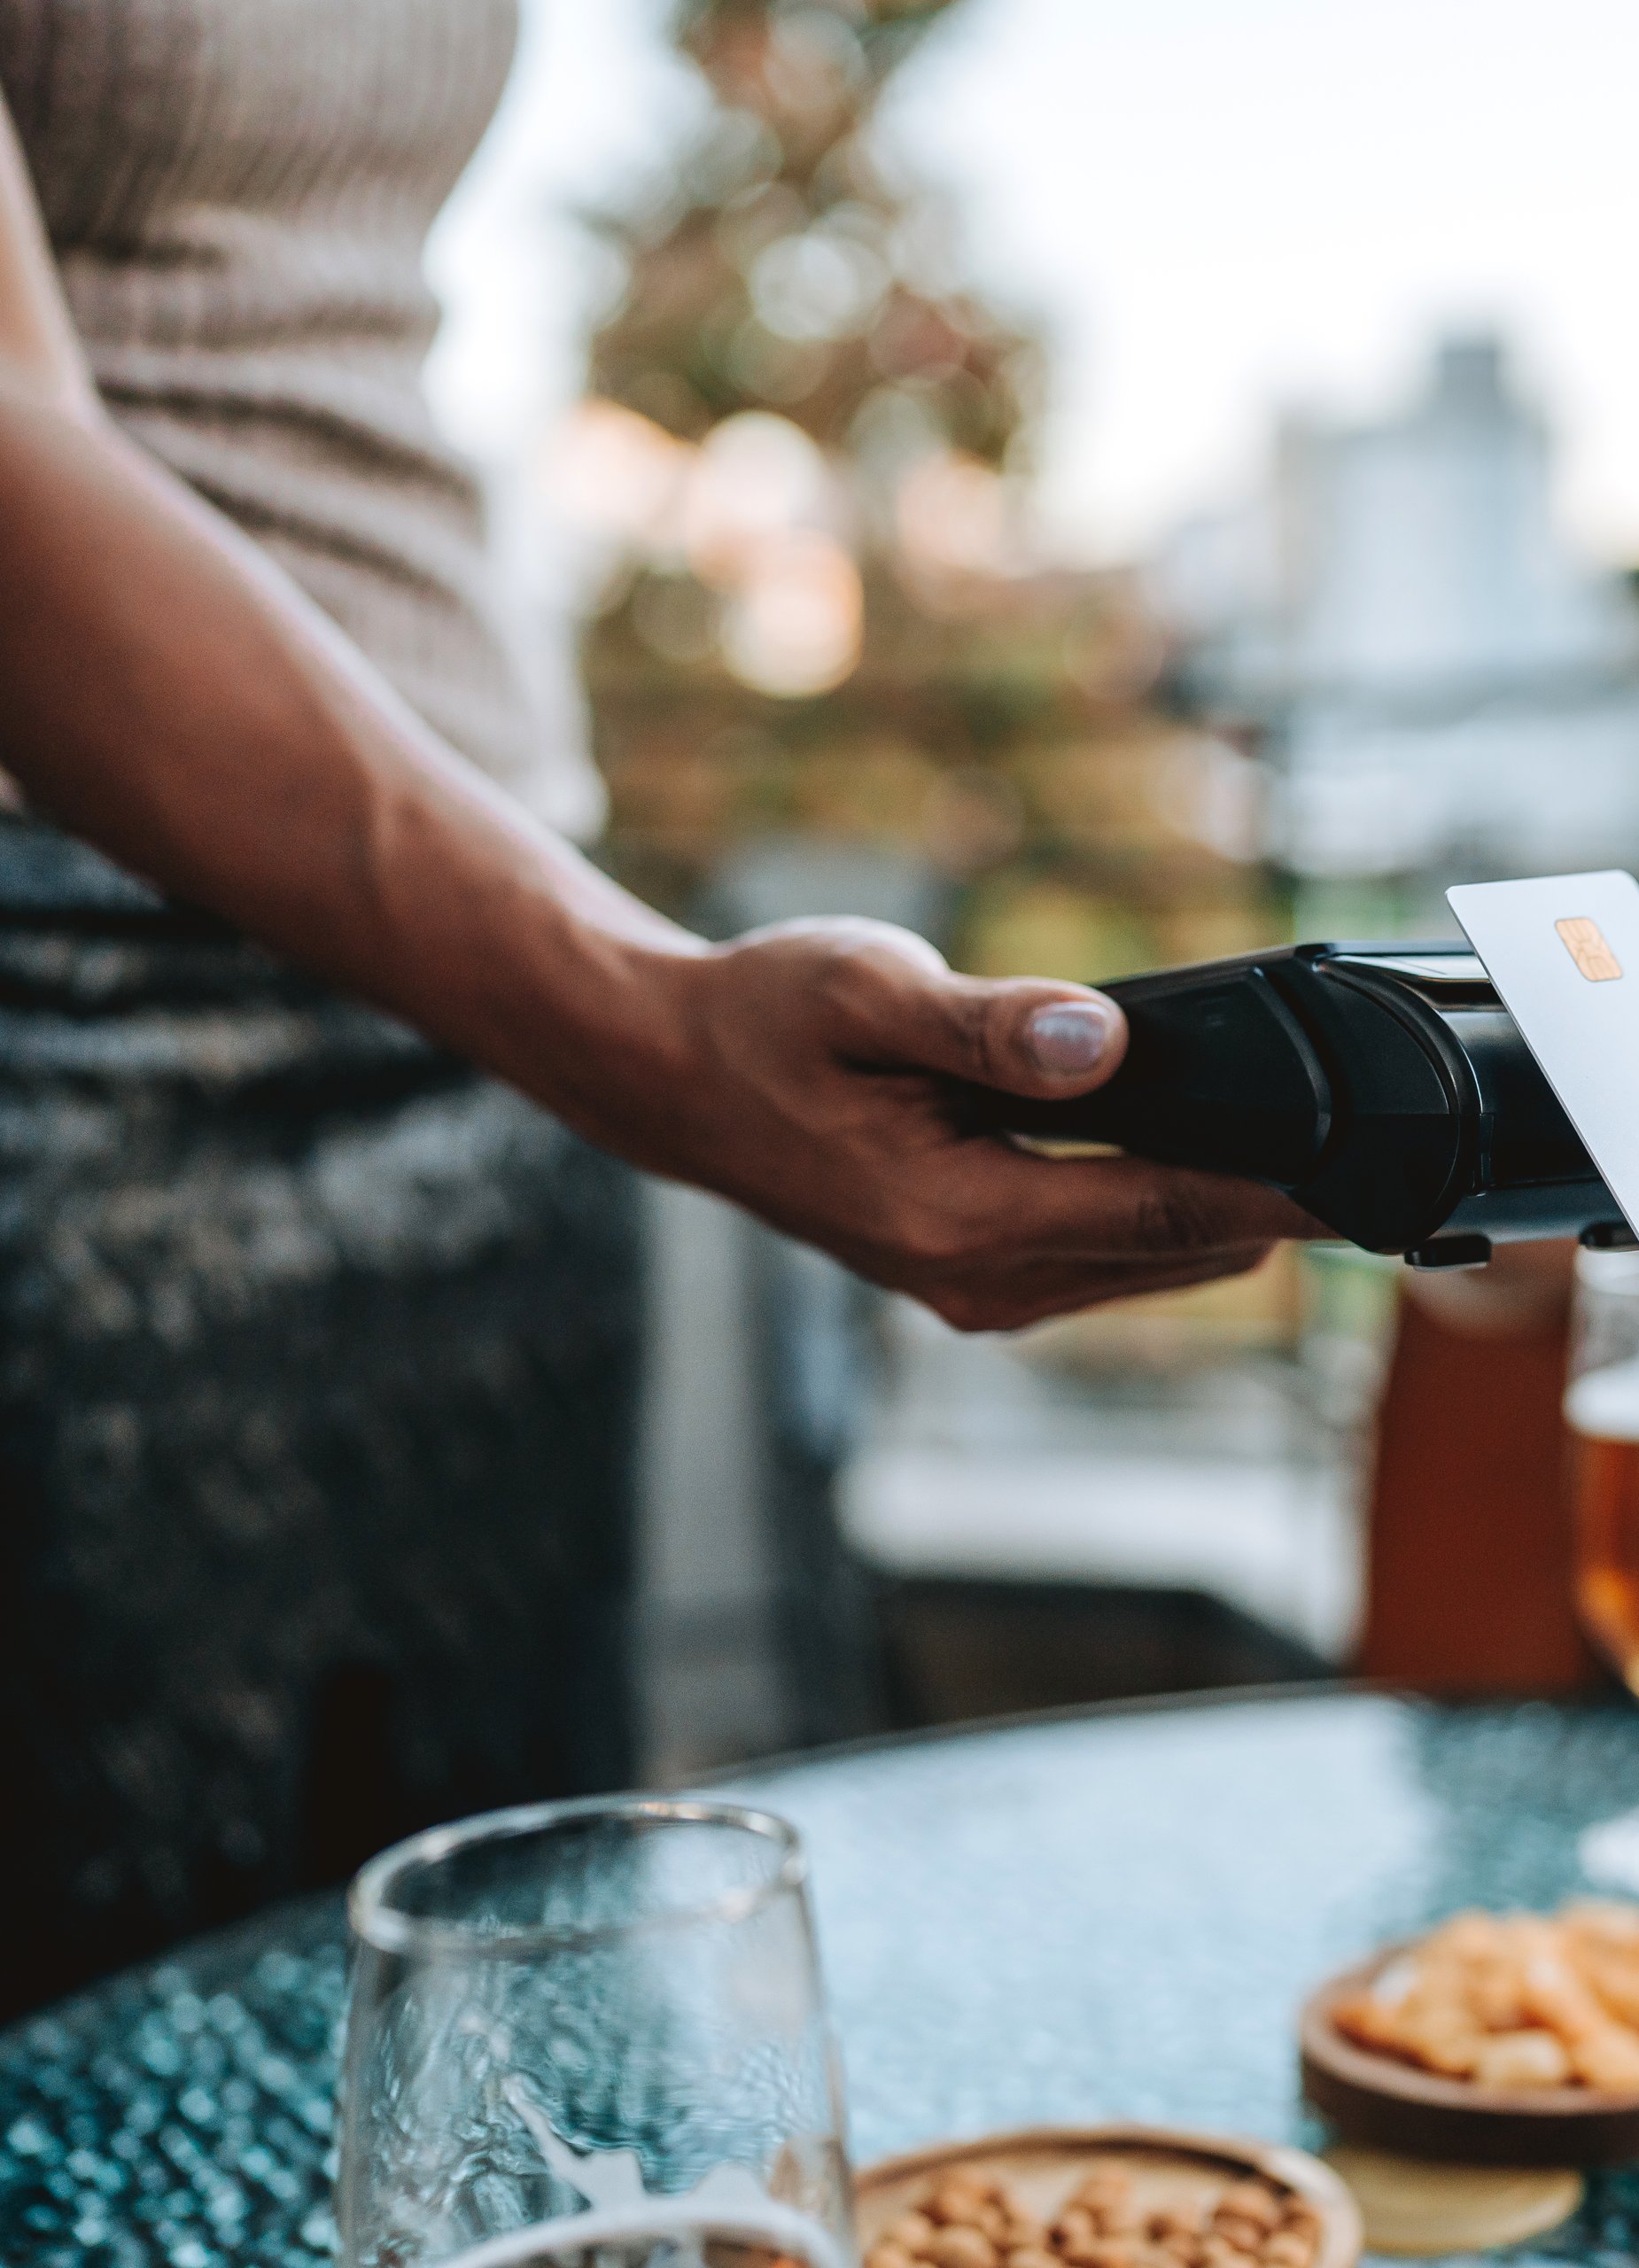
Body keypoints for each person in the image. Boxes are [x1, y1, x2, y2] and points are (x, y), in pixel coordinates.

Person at [0, 14, 1300, 2010]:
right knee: (105, 2018)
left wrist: (580, 993)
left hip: (482, 957)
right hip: (73, 994)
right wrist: (637, 1017)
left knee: (518, 1986)